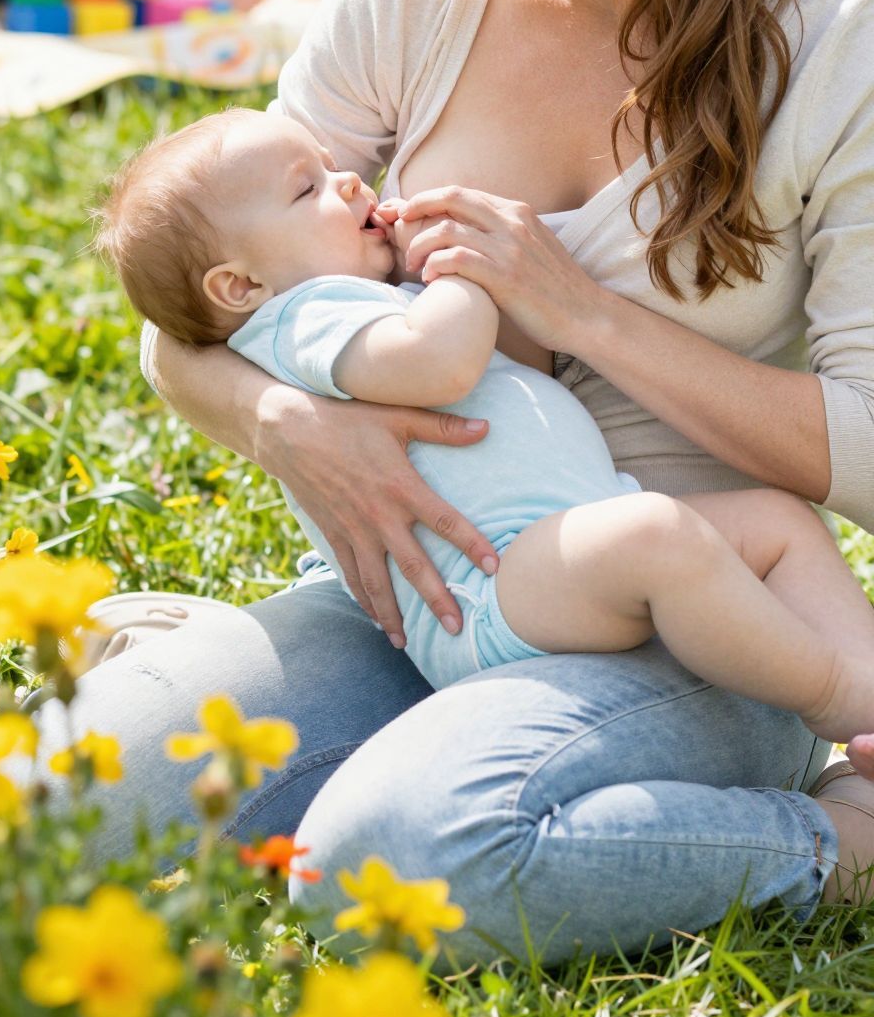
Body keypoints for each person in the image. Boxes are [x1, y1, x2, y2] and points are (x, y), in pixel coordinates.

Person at [35, 0, 874, 962]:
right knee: (49, 810)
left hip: (698, 620)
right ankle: (252, 680)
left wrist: (579, 308)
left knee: (393, 863)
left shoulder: (839, 47)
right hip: (423, 602)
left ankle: (835, 844)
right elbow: (194, 303)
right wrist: (290, 423)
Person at [97, 105, 874, 759]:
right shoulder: (301, 319)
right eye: (309, 188)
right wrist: (462, 270)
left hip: (558, 544)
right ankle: (834, 696)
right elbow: (437, 364)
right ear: (240, 285)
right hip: (489, 593)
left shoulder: (352, 300)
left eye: (332, 166)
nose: (351, 181)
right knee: (657, 535)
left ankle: (869, 694)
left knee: (777, 524)